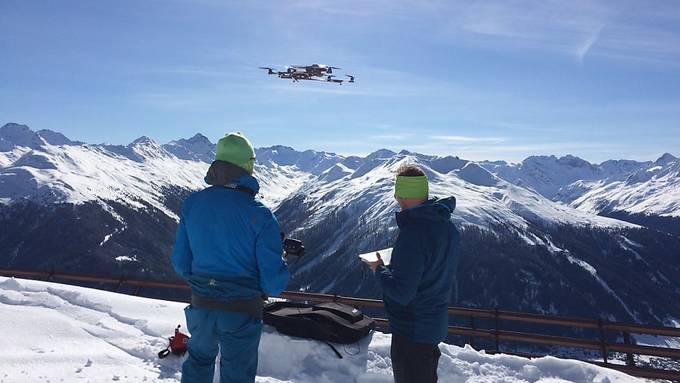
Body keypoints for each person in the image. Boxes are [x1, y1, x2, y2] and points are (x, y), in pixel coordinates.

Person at [171, 132, 289, 383]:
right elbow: (273, 283)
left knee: (199, 362)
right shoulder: (260, 214)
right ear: (247, 165)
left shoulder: (193, 203)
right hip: (241, 309)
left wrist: (205, 282)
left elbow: (181, 263)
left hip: (201, 304)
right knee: (237, 373)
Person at [366, 164, 460, 383]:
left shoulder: (414, 233)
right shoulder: (447, 227)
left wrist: (378, 268)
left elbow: (401, 293)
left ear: (401, 194)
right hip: (433, 324)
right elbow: (430, 272)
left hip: (411, 330)